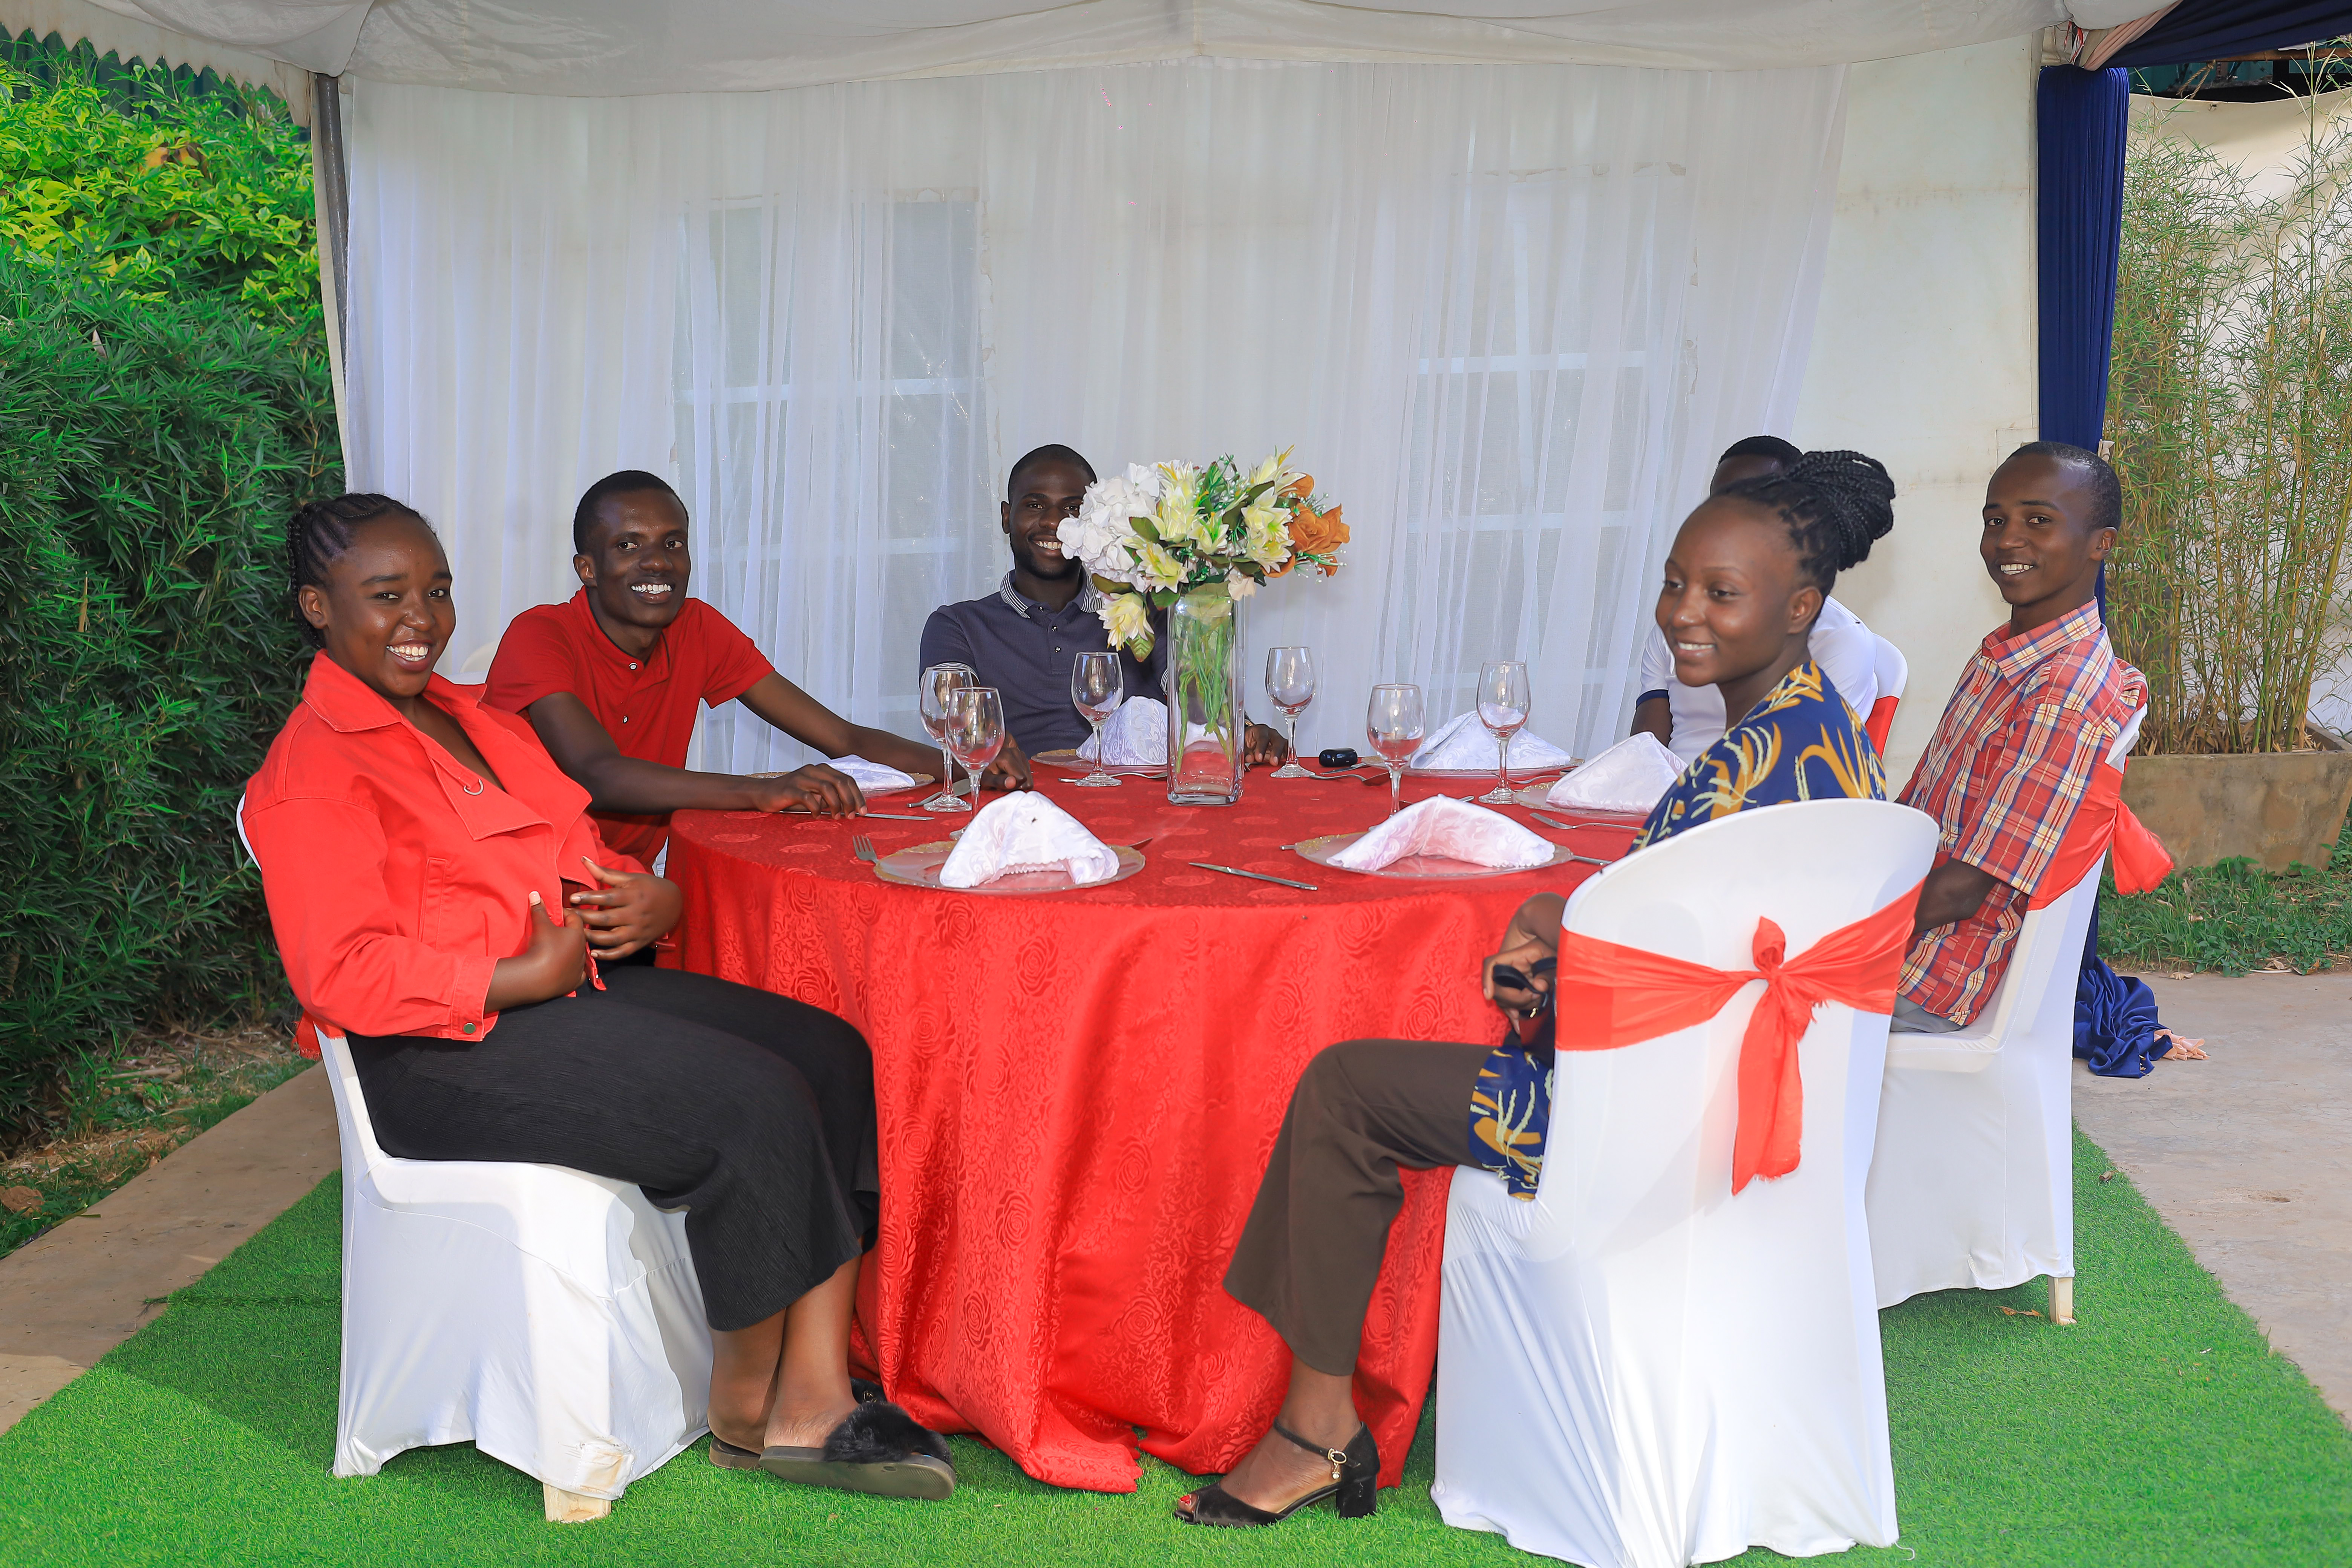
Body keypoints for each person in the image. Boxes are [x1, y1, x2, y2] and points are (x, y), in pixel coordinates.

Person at [1181, 450, 1897, 1529]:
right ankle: (1324, 1412)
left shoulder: (1743, 769)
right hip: (1740, 1111)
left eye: (1720, 594)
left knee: (1344, 1089)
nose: (1683, 614)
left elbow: (1656, 991)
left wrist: (1546, 967)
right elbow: (1705, 952)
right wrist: (1567, 931)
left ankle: (1316, 1426)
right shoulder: (1820, 738)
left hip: (1642, 1127)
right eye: (1674, 583)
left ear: (1801, 608)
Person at [244, 494, 957, 1500]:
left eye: (436, 592)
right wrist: (511, 977)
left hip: (563, 997)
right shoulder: (314, 769)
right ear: (319, 607)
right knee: (749, 1101)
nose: (421, 619)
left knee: (831, 1054)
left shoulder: (470, 716)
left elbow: (571, 844)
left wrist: (652, 900)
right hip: (440, 1055)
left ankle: (816, 1380)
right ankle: (755, 1410)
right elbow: (340, 973)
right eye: (386, 596)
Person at [487, 470, 1024, 870]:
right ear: (588, 569)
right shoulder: (540, 635)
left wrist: (966, 765)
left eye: (673, 543)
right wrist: (761, 791)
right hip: (527, 892)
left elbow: (841, 735)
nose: (657, 562)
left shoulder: (695, 628)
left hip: (624, 887)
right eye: (629, 546)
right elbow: (595, 773)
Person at [1893, 442, 2147, 1034]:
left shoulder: (2062, 693)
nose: (2008, 539)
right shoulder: (2008, 656)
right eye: (1995, 520)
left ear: (2101, 543)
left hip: (1928, 970)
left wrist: (1836, 935)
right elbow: (1925, 816)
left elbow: (1963, 891)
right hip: (1910, 924)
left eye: (2039, 521)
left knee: (1706, 989)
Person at [920, 444, 1290, 761]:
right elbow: (961, 729)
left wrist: (1242, 731)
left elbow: (1195, 704)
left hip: (1135, 813)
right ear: (1006, 516)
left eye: (1072, 509)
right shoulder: (957, 625)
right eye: (1034, 505)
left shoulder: (1144, 612)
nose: (1054, 523)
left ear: (1096, 521)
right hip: (1018, 811)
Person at [1632, 435, 1883, 764]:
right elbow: (1642, 757)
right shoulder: (1681, 624)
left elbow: (1792, 779)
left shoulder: (1837, 642)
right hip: (1666, 803)